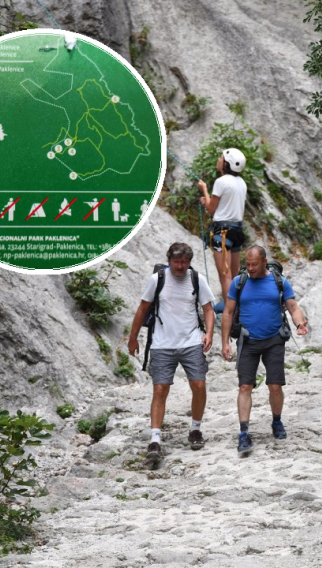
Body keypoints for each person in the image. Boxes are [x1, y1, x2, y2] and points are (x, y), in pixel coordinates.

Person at [128, 243, 215, 460]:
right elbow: (142, 309)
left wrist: (209, 333)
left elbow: (208, 309)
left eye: (184, 262)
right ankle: (155, 439)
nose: (180, 266)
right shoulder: (157, 280)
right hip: (161, 342)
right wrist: (133, 338)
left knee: (199, 384)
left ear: (189, 262)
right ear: (169, 260)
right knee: (160, 389)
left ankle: (195, 429)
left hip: (191, 340)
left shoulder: (197, 279)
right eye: (176, 261)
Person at [221, 245, 308, 454]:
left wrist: (300, 324)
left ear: (264, 261)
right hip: (247, 340)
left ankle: (277, 421)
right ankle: (244, 432)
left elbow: (293, 307)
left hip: (274, 340)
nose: (250, 268)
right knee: (244, 386)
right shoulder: (239, 282)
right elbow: (228, 312)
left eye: (254, 264)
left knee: (275, 386)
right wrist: (224, 342)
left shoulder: (278, 281)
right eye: (247, 264)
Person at [198, 148, 247, 311]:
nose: (218, 160)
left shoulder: (221, 182)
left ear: (227, 163)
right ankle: (237, 306)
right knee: (235, 275)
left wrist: (204, 190)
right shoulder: (242, 183)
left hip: (222, 232)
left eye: (221, 158)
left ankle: (229, 311)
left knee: (224, 275)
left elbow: (211, 209)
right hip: (237, 231)